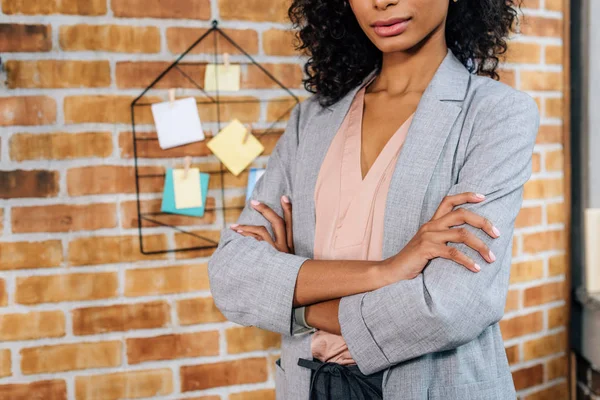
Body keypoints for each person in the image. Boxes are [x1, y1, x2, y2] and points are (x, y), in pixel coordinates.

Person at [208, 0, 539, 398]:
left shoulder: (497, 114)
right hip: (306, 385)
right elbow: (231, 276)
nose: (381, 1)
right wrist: (386, 271)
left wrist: (294, 304)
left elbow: (449, 308)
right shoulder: (310, 120)